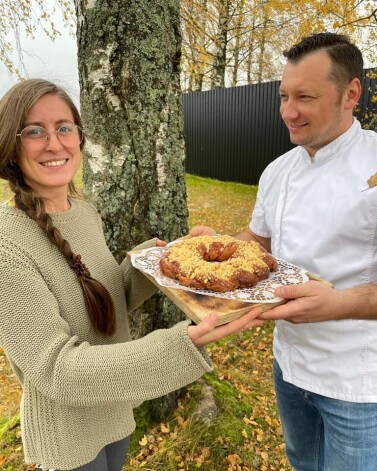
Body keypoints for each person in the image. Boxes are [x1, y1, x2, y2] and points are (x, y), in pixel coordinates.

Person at [0, 79, 264, 471]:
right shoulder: (7, 243)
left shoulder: (83, 211)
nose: (54, 143)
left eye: (64, 127)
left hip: (114, 409)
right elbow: (57, 371)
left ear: (79, 136)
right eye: (34, 131)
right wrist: (182, 343)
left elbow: (103, 298)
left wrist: (159, 259)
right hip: (70, 434)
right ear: (10, 144)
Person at [191, 32, 377, 470]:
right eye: (283, 96)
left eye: (304, 97)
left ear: (351, 93)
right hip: (289, 366)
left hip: (359, 382)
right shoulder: (278, 170)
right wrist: (209, 248)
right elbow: (260, 243)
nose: (287, 112)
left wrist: (338, 303)